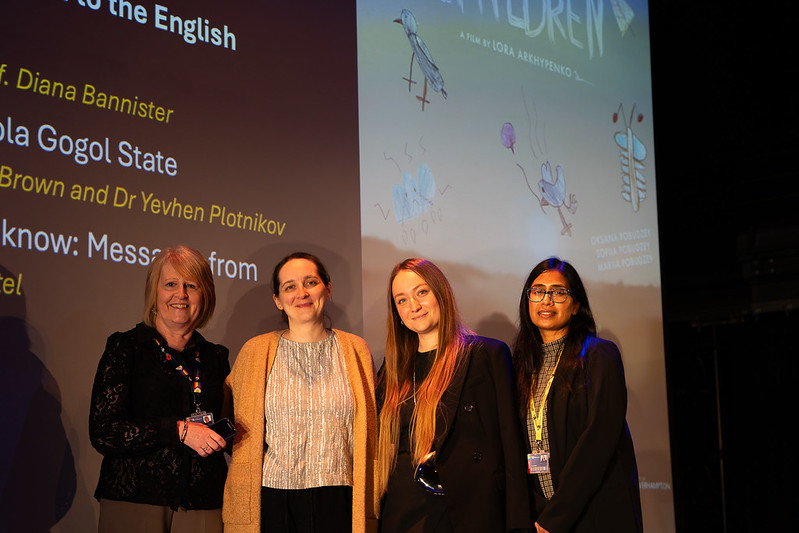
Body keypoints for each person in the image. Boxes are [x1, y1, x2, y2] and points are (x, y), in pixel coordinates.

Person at [222, 252, 378, 533]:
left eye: (310, 282)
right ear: (277, 300)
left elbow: (372, 432)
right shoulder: (255, 351)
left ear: (327, 289)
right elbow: (229, 420)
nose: (302, 293)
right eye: (289, 287)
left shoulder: (356, 350)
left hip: (339, 496)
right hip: (273, 499)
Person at [377, 258, 531, 533]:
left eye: (421, 292)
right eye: (401, 300)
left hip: (464, 512)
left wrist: (518, 524)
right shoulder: (391, 370)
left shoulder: (485, 356)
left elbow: (511, 445)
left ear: (441, 293)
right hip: (402, 512)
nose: (413, 306)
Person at [89, 245, 230, 533]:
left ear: (206, 295)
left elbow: (235, 425)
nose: (181, 294)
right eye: (170, 284)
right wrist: (179, 431)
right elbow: (104, 432)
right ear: (155, 293)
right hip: (135, 500)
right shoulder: (126, 348)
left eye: (191, 285)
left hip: (204, 504)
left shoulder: (216, 357)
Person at [512, 257, 642, 533]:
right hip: (539, 517)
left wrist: (554, 518)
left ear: (575, 305)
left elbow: (599, 440)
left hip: (592, 512)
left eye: (558, 292)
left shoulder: (599, 354)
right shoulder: (521, 366)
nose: (546, 300)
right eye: (537, 291)